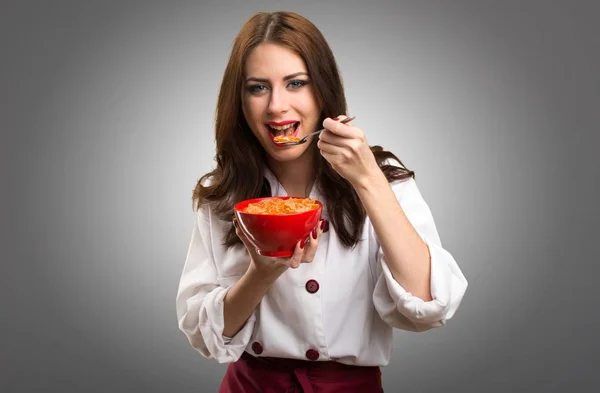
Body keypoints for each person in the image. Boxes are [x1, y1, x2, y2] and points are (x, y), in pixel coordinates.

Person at [176, 10, 468, 393]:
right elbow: (204, 334)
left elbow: (430, 305)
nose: (277, 105)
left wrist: (367, 179)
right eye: (258, 87)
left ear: (323, 90)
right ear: (240, 102)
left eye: (296, 83)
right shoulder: (223, 193)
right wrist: (261, 274)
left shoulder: (380, 174)